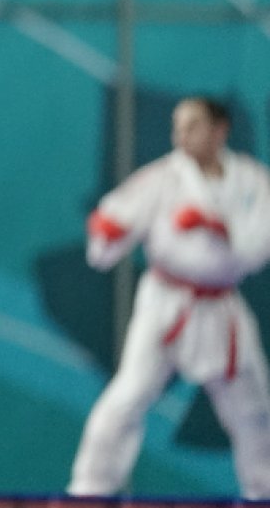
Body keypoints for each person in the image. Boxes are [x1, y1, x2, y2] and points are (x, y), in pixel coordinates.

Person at [68, 96, 270, 498]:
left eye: (191, 125)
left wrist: (217, 226)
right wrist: (107, 234)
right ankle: (89, 490)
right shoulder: (161, 177)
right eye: (177, 125)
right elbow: (115, 219)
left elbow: (256, 248)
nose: (179, 135)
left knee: (255, 411)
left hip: (221, 307)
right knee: (128, 397)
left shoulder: (252, 179)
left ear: (219, 130)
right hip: (166, 303)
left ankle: (262, 489)